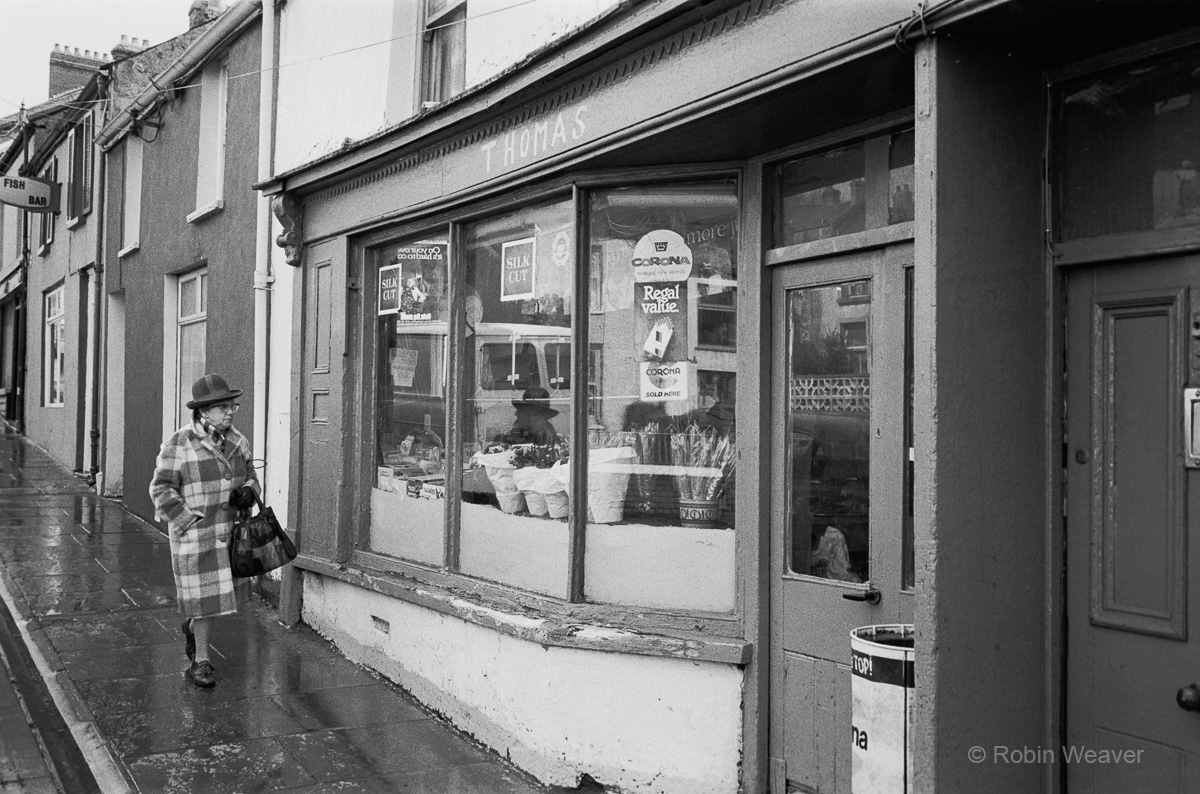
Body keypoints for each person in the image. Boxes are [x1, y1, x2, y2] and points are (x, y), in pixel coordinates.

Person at [150, 373, 259, 688]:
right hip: (196, 539)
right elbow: (161, 490)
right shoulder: (180, 442)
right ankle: (201, 661)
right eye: (222, 407)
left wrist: (250, 490)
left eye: (232, 406)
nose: (229, 412)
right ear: (202, 411)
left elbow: (251, 474)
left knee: (217, 601)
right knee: (203, 603)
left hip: (229, 535)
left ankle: (194, 633)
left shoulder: (238, 441)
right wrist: (186, 520)